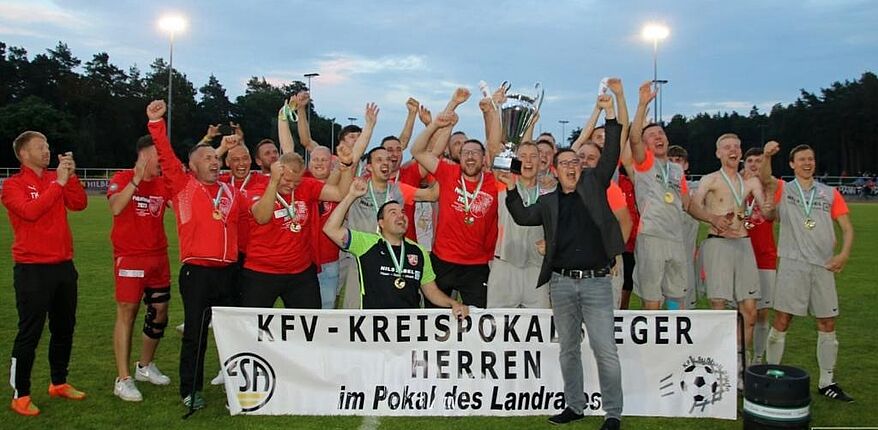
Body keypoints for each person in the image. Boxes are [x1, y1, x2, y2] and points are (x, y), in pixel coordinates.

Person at [501, 89, 624, 430]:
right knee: (568, 349)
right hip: (562, 284)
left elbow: (613, 149)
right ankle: (575, 405)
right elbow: (523, 216)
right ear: (554, 171)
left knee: (605, 350)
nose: (571, 167)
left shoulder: (595, 184)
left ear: (582, 167)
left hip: (597, 283)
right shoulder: (548, 201)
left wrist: (609, 114)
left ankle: (613, 412)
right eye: (565, 164)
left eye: (575, 163)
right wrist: (511, 188)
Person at [146, 100, 249, 410]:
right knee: (196, 333)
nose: (214, 162)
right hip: (198, 273)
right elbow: (166, 156)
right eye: (207, 158)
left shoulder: (231, 191)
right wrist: (156, 123)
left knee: (235, 332)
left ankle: (238, 385)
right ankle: (191, 389)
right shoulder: (183, 187)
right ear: (192, 167)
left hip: (230, 272)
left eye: (216, 158)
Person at [3, 131, 88, 416]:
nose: (47, 151)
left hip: (63, 266)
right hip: (32, 269)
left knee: (64, 328)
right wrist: (58, 184)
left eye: (48, 146)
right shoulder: (13, 185)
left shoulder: (55, 178)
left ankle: (59, 382)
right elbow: (30, 212)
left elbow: (79, 204)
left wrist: (70, 178)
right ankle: (21, 394)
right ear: (23, 153)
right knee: (30, 332)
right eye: (40, 147)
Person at [762, 142, 855, 402]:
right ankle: (771, 374)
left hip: (823, 266)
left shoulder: (829, 193)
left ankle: (827, 382)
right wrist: (767, 155)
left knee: (827, 322)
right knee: (782, 319)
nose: (807, 163)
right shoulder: (783, 189)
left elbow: (847, 228)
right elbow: (765, 178)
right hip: (793, 265)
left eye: (810, 159)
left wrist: (844, 254)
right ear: (792, 164)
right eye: (801, 159)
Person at [324, 177, 468, 316]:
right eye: (393, 212)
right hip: (375, 326)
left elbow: (431, 291)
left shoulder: (418, 251)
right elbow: (330, 229)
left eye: (402, 212)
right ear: (381, 223)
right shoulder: (366, 244)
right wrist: (351, 195)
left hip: (407, 326)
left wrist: (453, 303)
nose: (400, 216)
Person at [411, 88, 501, 309]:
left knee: (478, 319)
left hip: (477, 264)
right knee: (435, 318)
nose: (470, 156)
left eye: (475, 152)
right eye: (465, 152)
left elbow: (495, 144)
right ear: (459, 157)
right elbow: (417, 151)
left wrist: (493, 110)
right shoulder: (448, 172)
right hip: (444, 260)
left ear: (484, 158)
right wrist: (435, 124)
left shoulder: (494, 180)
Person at [629, 81, 715, 310]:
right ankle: (652, 333)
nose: (658, 137)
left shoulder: (676, 170)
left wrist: (712, 218)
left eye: (661, 133)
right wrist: (642, 104)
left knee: (676, 296)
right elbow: (634, 138)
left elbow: (688, 204)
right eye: (652, 135)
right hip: (652, 236)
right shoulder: (645, 163)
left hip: (676, 238)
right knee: (652, 299)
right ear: (645, 144)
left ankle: (672, 331)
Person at [689, 133, 768, 373]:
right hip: (718, 244)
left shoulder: (751, 183)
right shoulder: (710, 179)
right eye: (727, 147)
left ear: (740, 152)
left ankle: (738, 363)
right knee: (719, 307)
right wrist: (713, 218)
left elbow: (767, 211)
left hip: (743, 244)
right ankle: (719, 364)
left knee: (750, 311)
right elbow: (693, 206)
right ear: (718, 153)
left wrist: (768, 205)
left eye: (736, 146)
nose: (732, 150)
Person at [107, 135, 174, 402]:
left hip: (158, 257)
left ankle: (144, 366)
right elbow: (116, 207)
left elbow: (180, 204)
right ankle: (123, 379)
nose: (162, 162)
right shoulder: (122, 178)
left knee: (160, 311)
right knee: (128, 312)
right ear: (145, 155)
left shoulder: (162, 183)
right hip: (131, 258)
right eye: (159, 157)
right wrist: (135, 181)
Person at [487, 141, 552, 308]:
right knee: (497, 320)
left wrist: (552, 242)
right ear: (515, 160)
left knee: (540, 320)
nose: (528, 161)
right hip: (505, 262)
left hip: (537, 265)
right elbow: (493, 145)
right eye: (523, 156)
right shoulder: (504, 182)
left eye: (533, 156)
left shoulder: (551, 190)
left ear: (540, 161)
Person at [742, 146, 780, 364]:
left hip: (765, 256)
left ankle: (757, 358)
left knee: (763, 312)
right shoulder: (737, 185)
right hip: (741, 255)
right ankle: (742, 356)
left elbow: (773, 215)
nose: (754, 165)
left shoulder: (770, 187)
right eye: (750, 161)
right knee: (742, 311)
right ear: (744, 164)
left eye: (759, 161)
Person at [667, 145, 702, 310]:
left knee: (684, 308)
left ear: (686, 165)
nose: (674, 164)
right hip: (664, 257)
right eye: (670, 160)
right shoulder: (657, 188)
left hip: (687, 261)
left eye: (678, 160)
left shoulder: (697, 189)